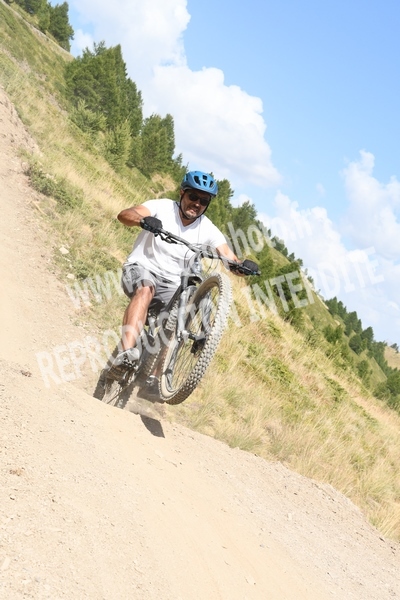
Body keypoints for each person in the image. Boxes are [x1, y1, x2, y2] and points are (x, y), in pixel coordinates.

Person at [107, 170, 248, 381]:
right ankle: (125, 356)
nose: (197, 203)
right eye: (193, 196)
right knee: (145, 288)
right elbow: (125, 214)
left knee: (182, 315)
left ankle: (155, 378)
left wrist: (241, 266)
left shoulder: (208, 229)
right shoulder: (161, 207)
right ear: (182, 193)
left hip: (172, 287)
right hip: (141, 268)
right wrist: (143, 220)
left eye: (203, 201)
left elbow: (228, 256)